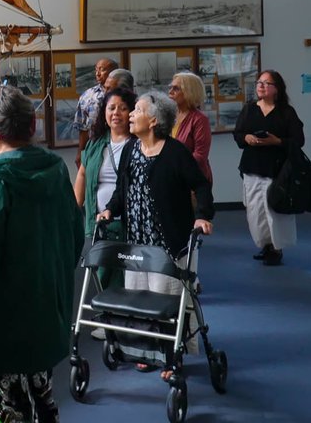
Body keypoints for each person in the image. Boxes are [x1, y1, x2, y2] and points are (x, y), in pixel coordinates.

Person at [0, 85, 83, 423]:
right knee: (43, 400)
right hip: (46, 319)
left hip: (3, 330)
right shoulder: (56, 171)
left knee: (11, 410)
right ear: (32, 126)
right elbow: (74, 239)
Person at [98, 91, 214, 376]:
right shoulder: (130, 149)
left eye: (137, 110)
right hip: (137, 243)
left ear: (153, 120)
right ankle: (148, 349)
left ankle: (172, 355)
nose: (131, 115)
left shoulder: (175, 153)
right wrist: (110, 210)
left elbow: (201, 186)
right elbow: (121, 191)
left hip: (168, 244)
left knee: (168, 300)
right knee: (141, 299)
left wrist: (202, 217)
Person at [73, 86, 137, 339]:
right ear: (104, 113)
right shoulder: (96, 144)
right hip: (99, 220)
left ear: (131, 112)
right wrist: (73, 209)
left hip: (128, 220)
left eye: (122, 108)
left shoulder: (138, 144)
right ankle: (108, 318)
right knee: (101, 270)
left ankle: (124, 320)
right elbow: (82, 174)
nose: (116, 113)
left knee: (124, 271)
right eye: (111, 108)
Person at [233, 69, 305, 267]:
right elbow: (238, 134)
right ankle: (265, 245)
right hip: (252, 167)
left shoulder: (286, 113)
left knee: (275, 212)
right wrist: (246, 138)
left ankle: (277, 248)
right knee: (256, 212)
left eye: (266, 83)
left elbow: (299, 140)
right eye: (259, 82)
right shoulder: (249, 109)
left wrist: (277, 141)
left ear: (277, 89)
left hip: (277, 170)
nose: (261, 86)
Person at [169, 72, 213, 185]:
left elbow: (200, 156)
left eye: (176, 88)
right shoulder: (169, 116)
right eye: (171, 87)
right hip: (172, 179)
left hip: (193, 181)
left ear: (189, 92)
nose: (170, 92)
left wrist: (174, 166)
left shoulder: (200, 119)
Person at [74, 57, 119, 165]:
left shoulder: (126, 95)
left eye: (102, 69)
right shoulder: (88, 96)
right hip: (94, 147)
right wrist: (80, 153)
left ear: (113, 72)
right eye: (96, 70)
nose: (97, 74)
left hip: (120, 146)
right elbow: (83, 129)